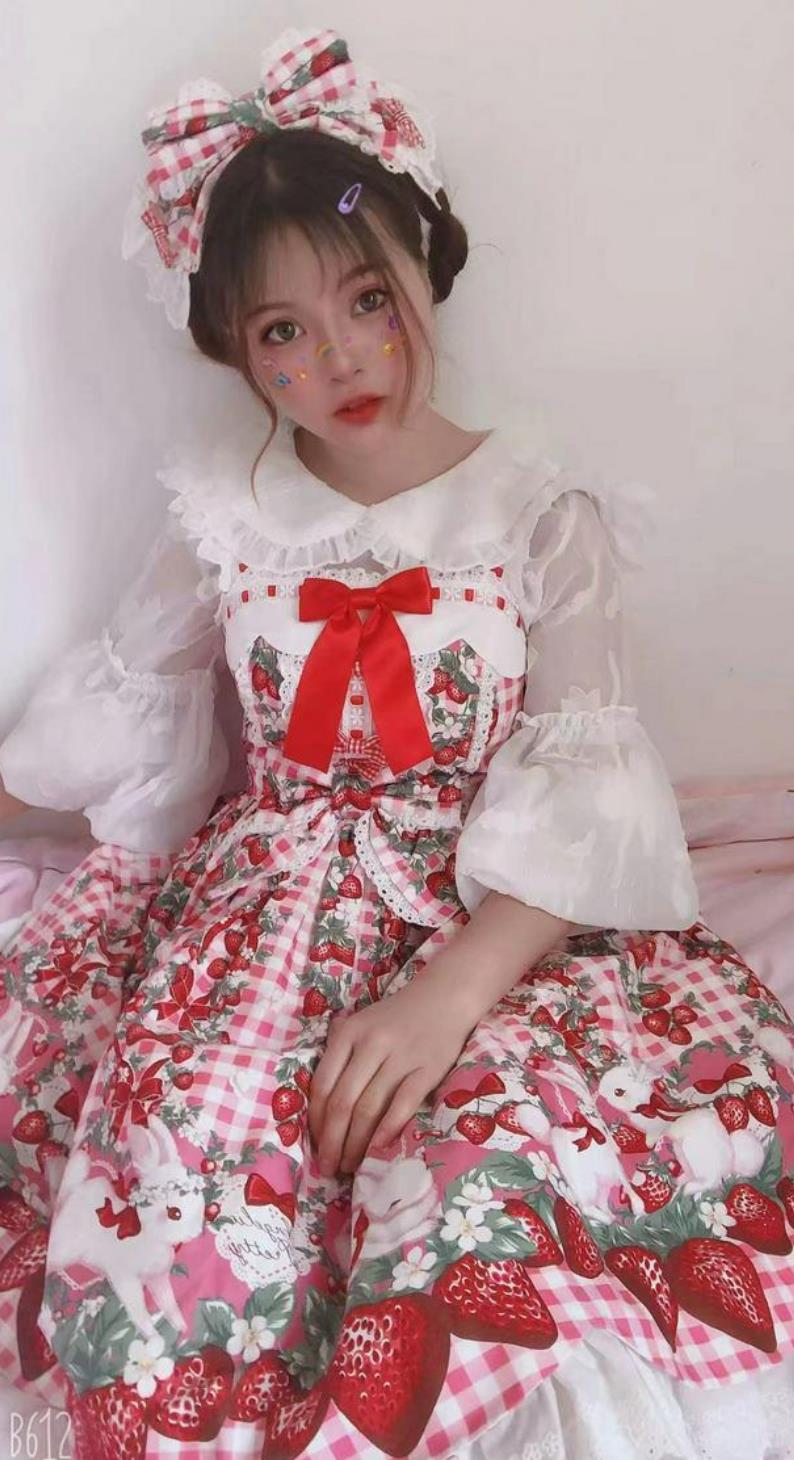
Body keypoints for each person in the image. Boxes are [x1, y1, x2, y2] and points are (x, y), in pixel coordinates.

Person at [0, 23, 792, 1460]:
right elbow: (126, 730)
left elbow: (583, 793)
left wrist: (446, 998)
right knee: (193, 1144)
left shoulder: (542, 513)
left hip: (492, 914)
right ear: (237, 356)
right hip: (263, 918)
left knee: (488, 1161)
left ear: (425, 265)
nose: (342, 356)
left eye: (367, 298)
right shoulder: (221, 516)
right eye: (281, 333)